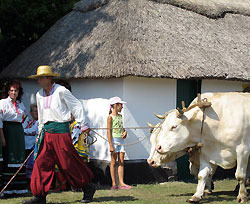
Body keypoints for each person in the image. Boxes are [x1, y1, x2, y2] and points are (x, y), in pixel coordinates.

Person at [23, 65, 95, 204]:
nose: (38, 81)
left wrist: (83, 124)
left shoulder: (61, 91)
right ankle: (40, 196)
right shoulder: (39, 95)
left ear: (49, 78)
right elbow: (42, 116)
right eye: (38, 78)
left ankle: (88, 186)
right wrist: (39, 132)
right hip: (46, 132)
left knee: (67, 164)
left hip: (61, 132)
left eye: (41, 78)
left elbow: (76, 106)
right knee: (41, 162)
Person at [0, 80, 28, 196]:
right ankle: (7, 189)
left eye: (15, 90)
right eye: (11, 90)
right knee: (9, 158)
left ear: (18, 92)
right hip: (8, 131)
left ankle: (19, 188)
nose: (13, 93)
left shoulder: (21, 104)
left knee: (19, 158)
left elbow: (24, 117)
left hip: (18, 132)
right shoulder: (2, 103)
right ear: (8, 91)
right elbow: (0, 121)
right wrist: (2, 138)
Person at [107, 96, 131, 190]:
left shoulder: (120, 116)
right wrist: (111, 145)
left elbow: (121, 128)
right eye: (120, 105)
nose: (122, 107)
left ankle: (121, 183)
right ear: (115, 105)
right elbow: (108, 131)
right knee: (113, 162)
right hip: (114, 141)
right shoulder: (110, 117)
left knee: (121, 162)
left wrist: (125, 132)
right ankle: (114, 183)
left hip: (121, 141)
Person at [22, 104, 38, 187]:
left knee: (31, 165)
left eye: (38, 111)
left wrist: (23, 131)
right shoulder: (27, 120)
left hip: (33, 146)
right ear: (31, 112)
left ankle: (31, 183)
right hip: (25, 145)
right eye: (35, 111)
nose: (37, 113)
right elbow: (22, 127)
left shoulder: (39, 122)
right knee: (24, 165)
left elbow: (33, 130)